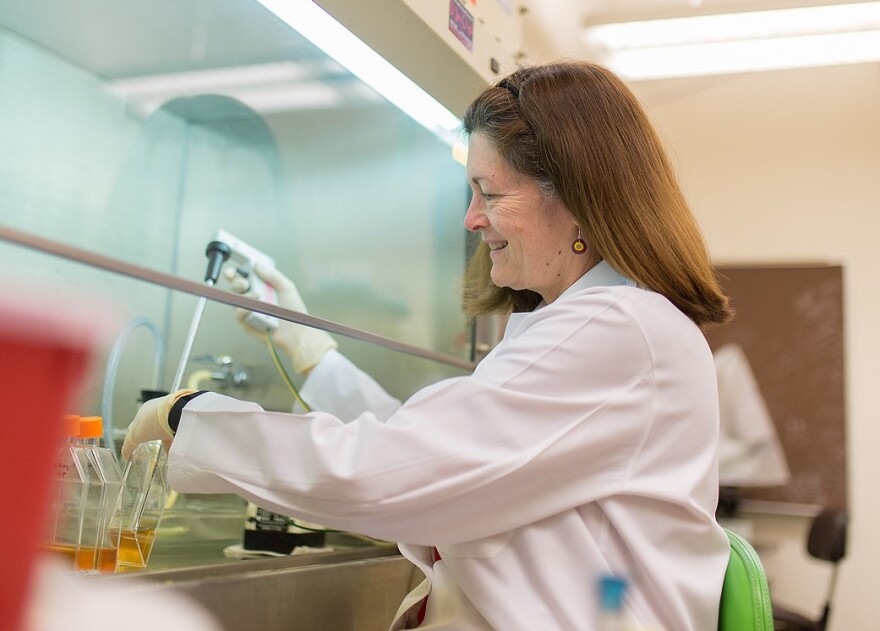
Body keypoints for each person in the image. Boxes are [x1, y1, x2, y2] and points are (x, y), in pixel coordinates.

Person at [123, 60, 734, 630]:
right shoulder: (606, 326)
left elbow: (391, 474)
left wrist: (191, 418)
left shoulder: (619, 330)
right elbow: (442, 449)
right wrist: (314, 357)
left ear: (576, 199)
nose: (471, 218)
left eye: (489, 193)